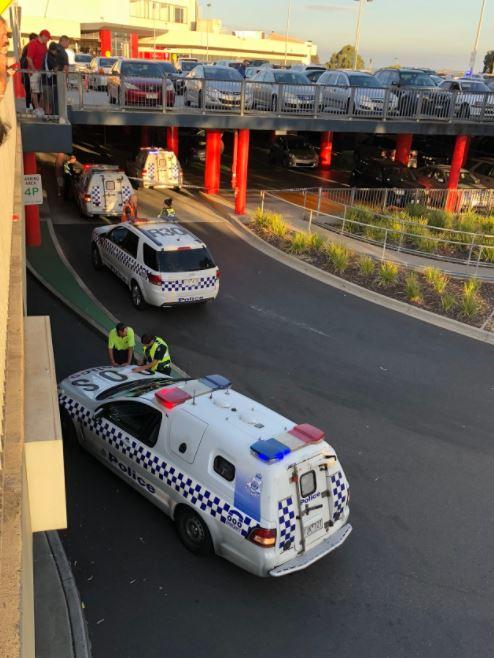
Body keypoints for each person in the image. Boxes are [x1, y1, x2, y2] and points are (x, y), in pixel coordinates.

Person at [26, 29, 51, 113]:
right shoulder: (33, 44)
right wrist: (34, 70)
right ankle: (36, 108)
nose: (48, 40)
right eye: (47, 38)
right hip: (34, 72)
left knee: (42, 90)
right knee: (35, 91)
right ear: (43, 36)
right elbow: (29, 58)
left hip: (42, 72)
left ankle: (39, 107)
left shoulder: (44, 45)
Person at [44, 35, 69, 114]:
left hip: (50, 79)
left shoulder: (54, 50)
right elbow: (66, 67)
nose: (68, 44)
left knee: (49, 99)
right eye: (68, 42)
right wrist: (65, 79)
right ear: (63, 41)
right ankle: (56, 114)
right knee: (57, 99)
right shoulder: (63, 52)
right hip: (58, 79)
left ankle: (50, 114)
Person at [20, 33, 37, 109]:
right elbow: (29, 59)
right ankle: (32, 106)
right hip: (29, 72)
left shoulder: (26, 47)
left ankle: (28, 105)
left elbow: (22, 60)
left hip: (25, 72)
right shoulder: (31, 46)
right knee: (32, 89)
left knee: (28, 90)